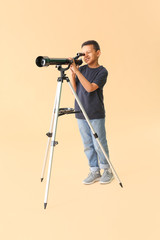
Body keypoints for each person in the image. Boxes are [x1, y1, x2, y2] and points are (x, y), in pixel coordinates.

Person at [69, 40, 114, 185]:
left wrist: (76, 71)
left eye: (88, 52)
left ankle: (106, 170)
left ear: (98, 53)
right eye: (83, 53)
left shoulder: (102, 71)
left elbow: (89, 88)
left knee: (99, 143)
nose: (85, 55)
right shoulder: (81, 69)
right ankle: (94, 170)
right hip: (80, 112)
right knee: (87, 144)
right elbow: (76, 91)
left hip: (95, 113)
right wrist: (73, 75)